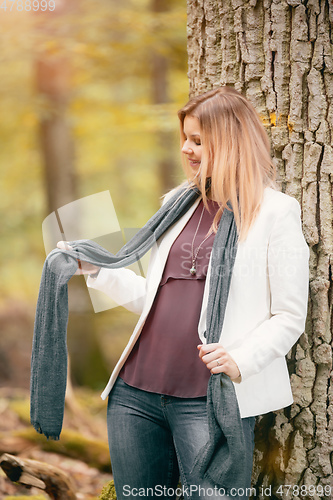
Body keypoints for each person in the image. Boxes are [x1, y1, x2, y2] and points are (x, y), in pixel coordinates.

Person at [57, 86, 309, 499]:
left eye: (197, 141)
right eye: (184, 139)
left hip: (209, 402)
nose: (185, 149)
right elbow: (155, 299)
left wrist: (240, 359)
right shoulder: (178, 202)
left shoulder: (276, 213)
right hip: (135, 396)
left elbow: (288, 314)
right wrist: (96, 269)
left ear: (229, 143)